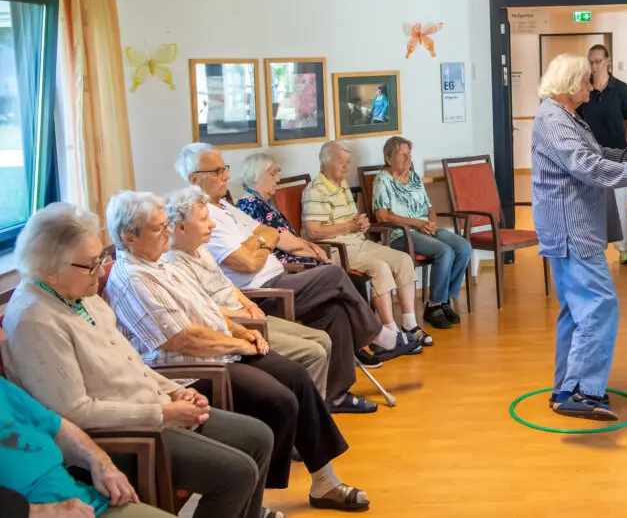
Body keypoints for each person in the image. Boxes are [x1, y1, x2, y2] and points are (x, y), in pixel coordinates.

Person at [102, 191, 371, 511]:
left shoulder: (159, 262)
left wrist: (243, 331)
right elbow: (181, 339)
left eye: (166, 225)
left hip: (218, 351)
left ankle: (325, 482)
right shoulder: (134, 277)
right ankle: (253, 504)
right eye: (159, 228)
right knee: (279, 400)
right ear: (128, 236)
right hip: (188, 371)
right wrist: (240, 343)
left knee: (297, 377)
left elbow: (209, 308)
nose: (168, 232)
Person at [2, 203, 273, 518]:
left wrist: (173, 390)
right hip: (122, 436)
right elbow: (74, 411)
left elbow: (130, 359)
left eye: (102, 258)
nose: (102, 271)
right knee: (235, 472)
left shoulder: (80, 294)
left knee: (258, 437)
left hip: (153, 406)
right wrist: (163, 413)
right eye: (91, 265)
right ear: (51, 268)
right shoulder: (35, 320)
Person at [174, 143, 418, 407]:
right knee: (334, 275)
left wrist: (286, 245)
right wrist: (263, 241)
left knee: (335, 311)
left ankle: (334, 395)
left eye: (225, 169)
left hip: (281, 277)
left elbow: (275, 236)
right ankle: (376, 335)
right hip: (265, 292)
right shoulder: (204, 217)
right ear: (195, 179)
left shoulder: (227, 208)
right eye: (218, 171)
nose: (226, 176)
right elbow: (245, 263)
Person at [531, 53, 627, 421]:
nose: (591, 85)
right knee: (600, 305)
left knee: (576, 311)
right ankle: (583, 392)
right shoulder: (553, 118)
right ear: (568, 84)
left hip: (572, 227)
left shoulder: (565, 117)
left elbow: (597, 152)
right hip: (572, 230)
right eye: (585, 79)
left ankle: (566, 388)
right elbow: (587, 166)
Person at [166, 186, 333, 398]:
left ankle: (317, 409)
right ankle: (312, 417)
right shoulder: (174, 263)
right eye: (204, 220)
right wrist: (245, 315)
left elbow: (227, 285)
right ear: (181, 227)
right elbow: (203, 311)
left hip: (246, 314)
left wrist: (251, 305)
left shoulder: (198, 248)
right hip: (233, 326)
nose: (212, 224)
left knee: (323, 339)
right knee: (314, 353)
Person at [303, 141, 432, 348]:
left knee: (403, 260)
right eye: (341, 162)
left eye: (348, 162)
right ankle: (390, 333)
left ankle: (410, 324)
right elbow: (313, 231)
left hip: (358, 242)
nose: (346, 167)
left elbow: (352, 222)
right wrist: (349, 225)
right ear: (326, 162)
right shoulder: (315, 190)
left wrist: (361, 224)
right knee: (380, 267)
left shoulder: (342, 184)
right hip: (336, 249)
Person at [0, 377, 173, 518]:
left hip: (85, 504)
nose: (4, 338)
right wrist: (36, 512)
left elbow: (56, 427)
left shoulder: (4, 388)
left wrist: (100, 461)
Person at [372, 136, 472, 330]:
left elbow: (429, 206)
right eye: (402, 154)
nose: (408, 158)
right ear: (388, 157)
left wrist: (431, 222)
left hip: (423, 229)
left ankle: (444, 302)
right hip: (400, 234)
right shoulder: (382, 180)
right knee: (445, 251)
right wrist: (417, 223)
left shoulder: (414, 177)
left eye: (409, 154)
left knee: (463, 247)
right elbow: (382, 216)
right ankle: (433, 306)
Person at [577, 44, 627, 265]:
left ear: (607, 61)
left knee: (618, 202)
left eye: (598, 61)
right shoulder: (584, 90)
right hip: (591, 155)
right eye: (591, 62)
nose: (594, 66)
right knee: (592, 202)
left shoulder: (621, 89)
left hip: (617, 154)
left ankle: (623, 249)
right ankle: (595, 248)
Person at [234, 153, 328, 267]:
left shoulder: (259, 202)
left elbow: (289, 236)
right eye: (273, 174)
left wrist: (312, 246)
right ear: (256, 176)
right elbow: (290, 245)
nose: (278, 179)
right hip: (289, 270)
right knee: (337, 273)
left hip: (299, 266)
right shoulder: (253, 205)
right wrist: (317, 255)